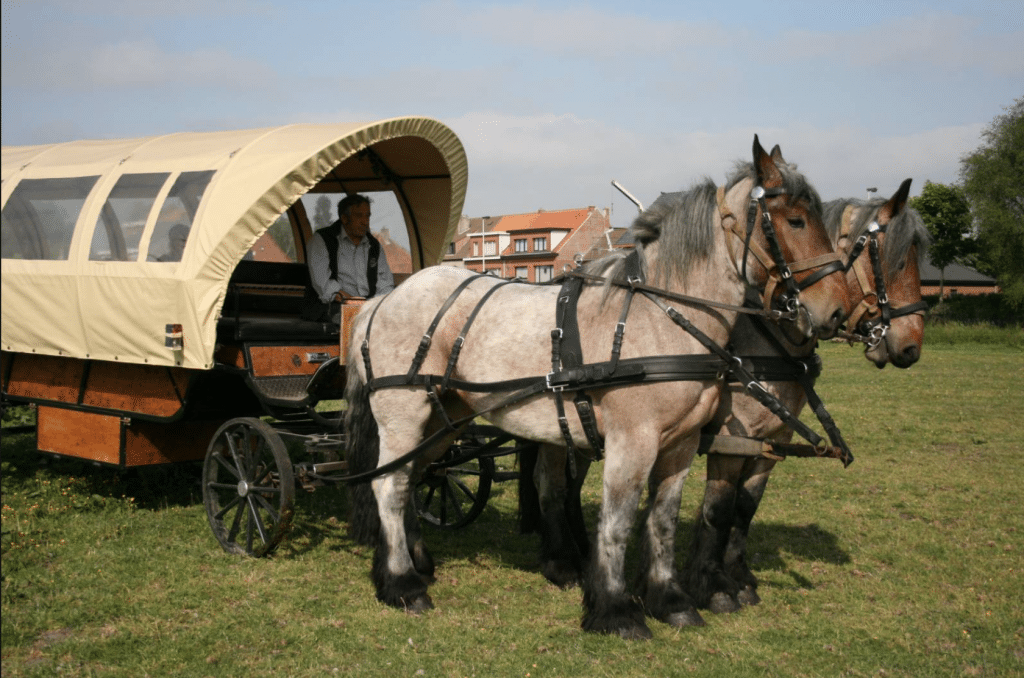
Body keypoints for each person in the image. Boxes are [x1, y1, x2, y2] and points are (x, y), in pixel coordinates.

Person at [303, 194, 394, 322]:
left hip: (367, 309)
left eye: (367, 216)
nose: (365, 221)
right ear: (344, 218)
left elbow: (385, 285)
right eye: (359, 216)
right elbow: (323, 285)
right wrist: (353, 303)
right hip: (331, 308)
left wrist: (375, 306)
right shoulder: (323, 240)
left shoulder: (374, 245)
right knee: (348, 320)